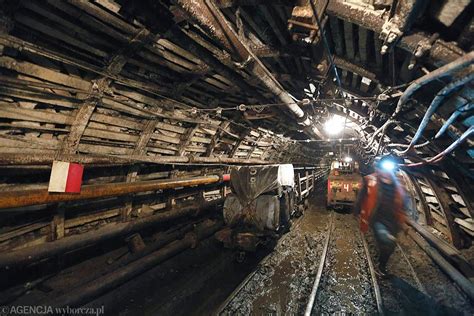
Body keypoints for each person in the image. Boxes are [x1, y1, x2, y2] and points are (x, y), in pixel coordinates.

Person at [353, 156, 409, 276]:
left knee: (391, 246)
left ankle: (381, 266)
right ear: (379, 169)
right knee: (386, 239)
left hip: (393, 218)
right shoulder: (369, 180)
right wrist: (357, 211)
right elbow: (361, 196)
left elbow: (403, 202)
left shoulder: (398, 183)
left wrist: (403, 221)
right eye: (384, 169)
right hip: (377, 218)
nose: (387, 172)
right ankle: (380, 268)